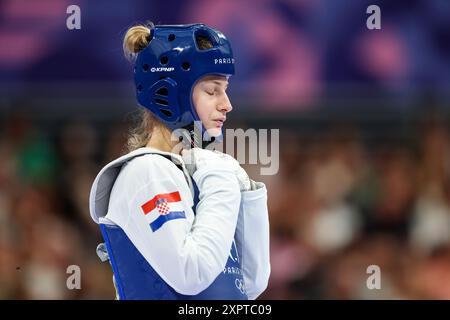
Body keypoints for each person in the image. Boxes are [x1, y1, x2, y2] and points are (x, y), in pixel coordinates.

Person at [89, 22, 270, 300]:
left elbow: (248, 285)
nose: (227, 104)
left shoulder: (199, 171)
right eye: (212, 91)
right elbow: (191, 275)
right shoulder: (147, 172)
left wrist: (245, 194)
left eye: (225, 89)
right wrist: (221, 181)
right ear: (172, 92)